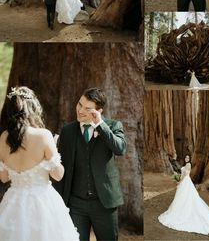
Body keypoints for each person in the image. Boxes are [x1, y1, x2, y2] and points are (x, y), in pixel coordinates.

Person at [0, 86, 80, 241]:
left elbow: (3, 178)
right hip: (42, 203)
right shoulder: (43, 136)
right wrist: (55, 152)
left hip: (13, 203)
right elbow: (57, 175)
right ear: (33, 108)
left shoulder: (3, 138)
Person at [53, 87, 126, 241]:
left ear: (98, 110)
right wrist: (59, 201)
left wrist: (100, 124)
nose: (80, 110)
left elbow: (120, 148)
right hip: (75, 204)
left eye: (87, 108)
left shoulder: (113, 126)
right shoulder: (67, 131)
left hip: (104, 203)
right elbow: (62, 167)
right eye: (79, 105)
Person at [158, 155, 209, 235]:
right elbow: (182, 174)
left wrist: (179, 181)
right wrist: (178, 178)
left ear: (189, 159)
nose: (186, 158)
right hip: (185, 182)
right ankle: (182, 210)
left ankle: (184, 212)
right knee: (183, 198)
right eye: (185, 157)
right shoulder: (186, 165)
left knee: (186, 197)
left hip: (185, 182)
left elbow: (185, 175)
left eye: (187, 158)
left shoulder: (188, 165)